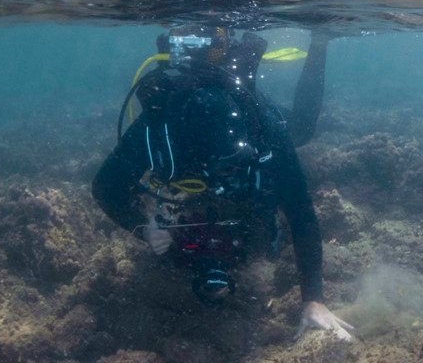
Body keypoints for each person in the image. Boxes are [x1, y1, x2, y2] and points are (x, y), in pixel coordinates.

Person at [92, 25, 352, 340]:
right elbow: (106, 187)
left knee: (302, 129)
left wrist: (313, 298)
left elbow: (300, 210)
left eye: (227, 167)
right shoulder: (158, 129)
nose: (215, 175)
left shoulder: (262, 125)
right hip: (184, 126)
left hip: (242, 99)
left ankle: (320, 41)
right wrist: (142, 227)